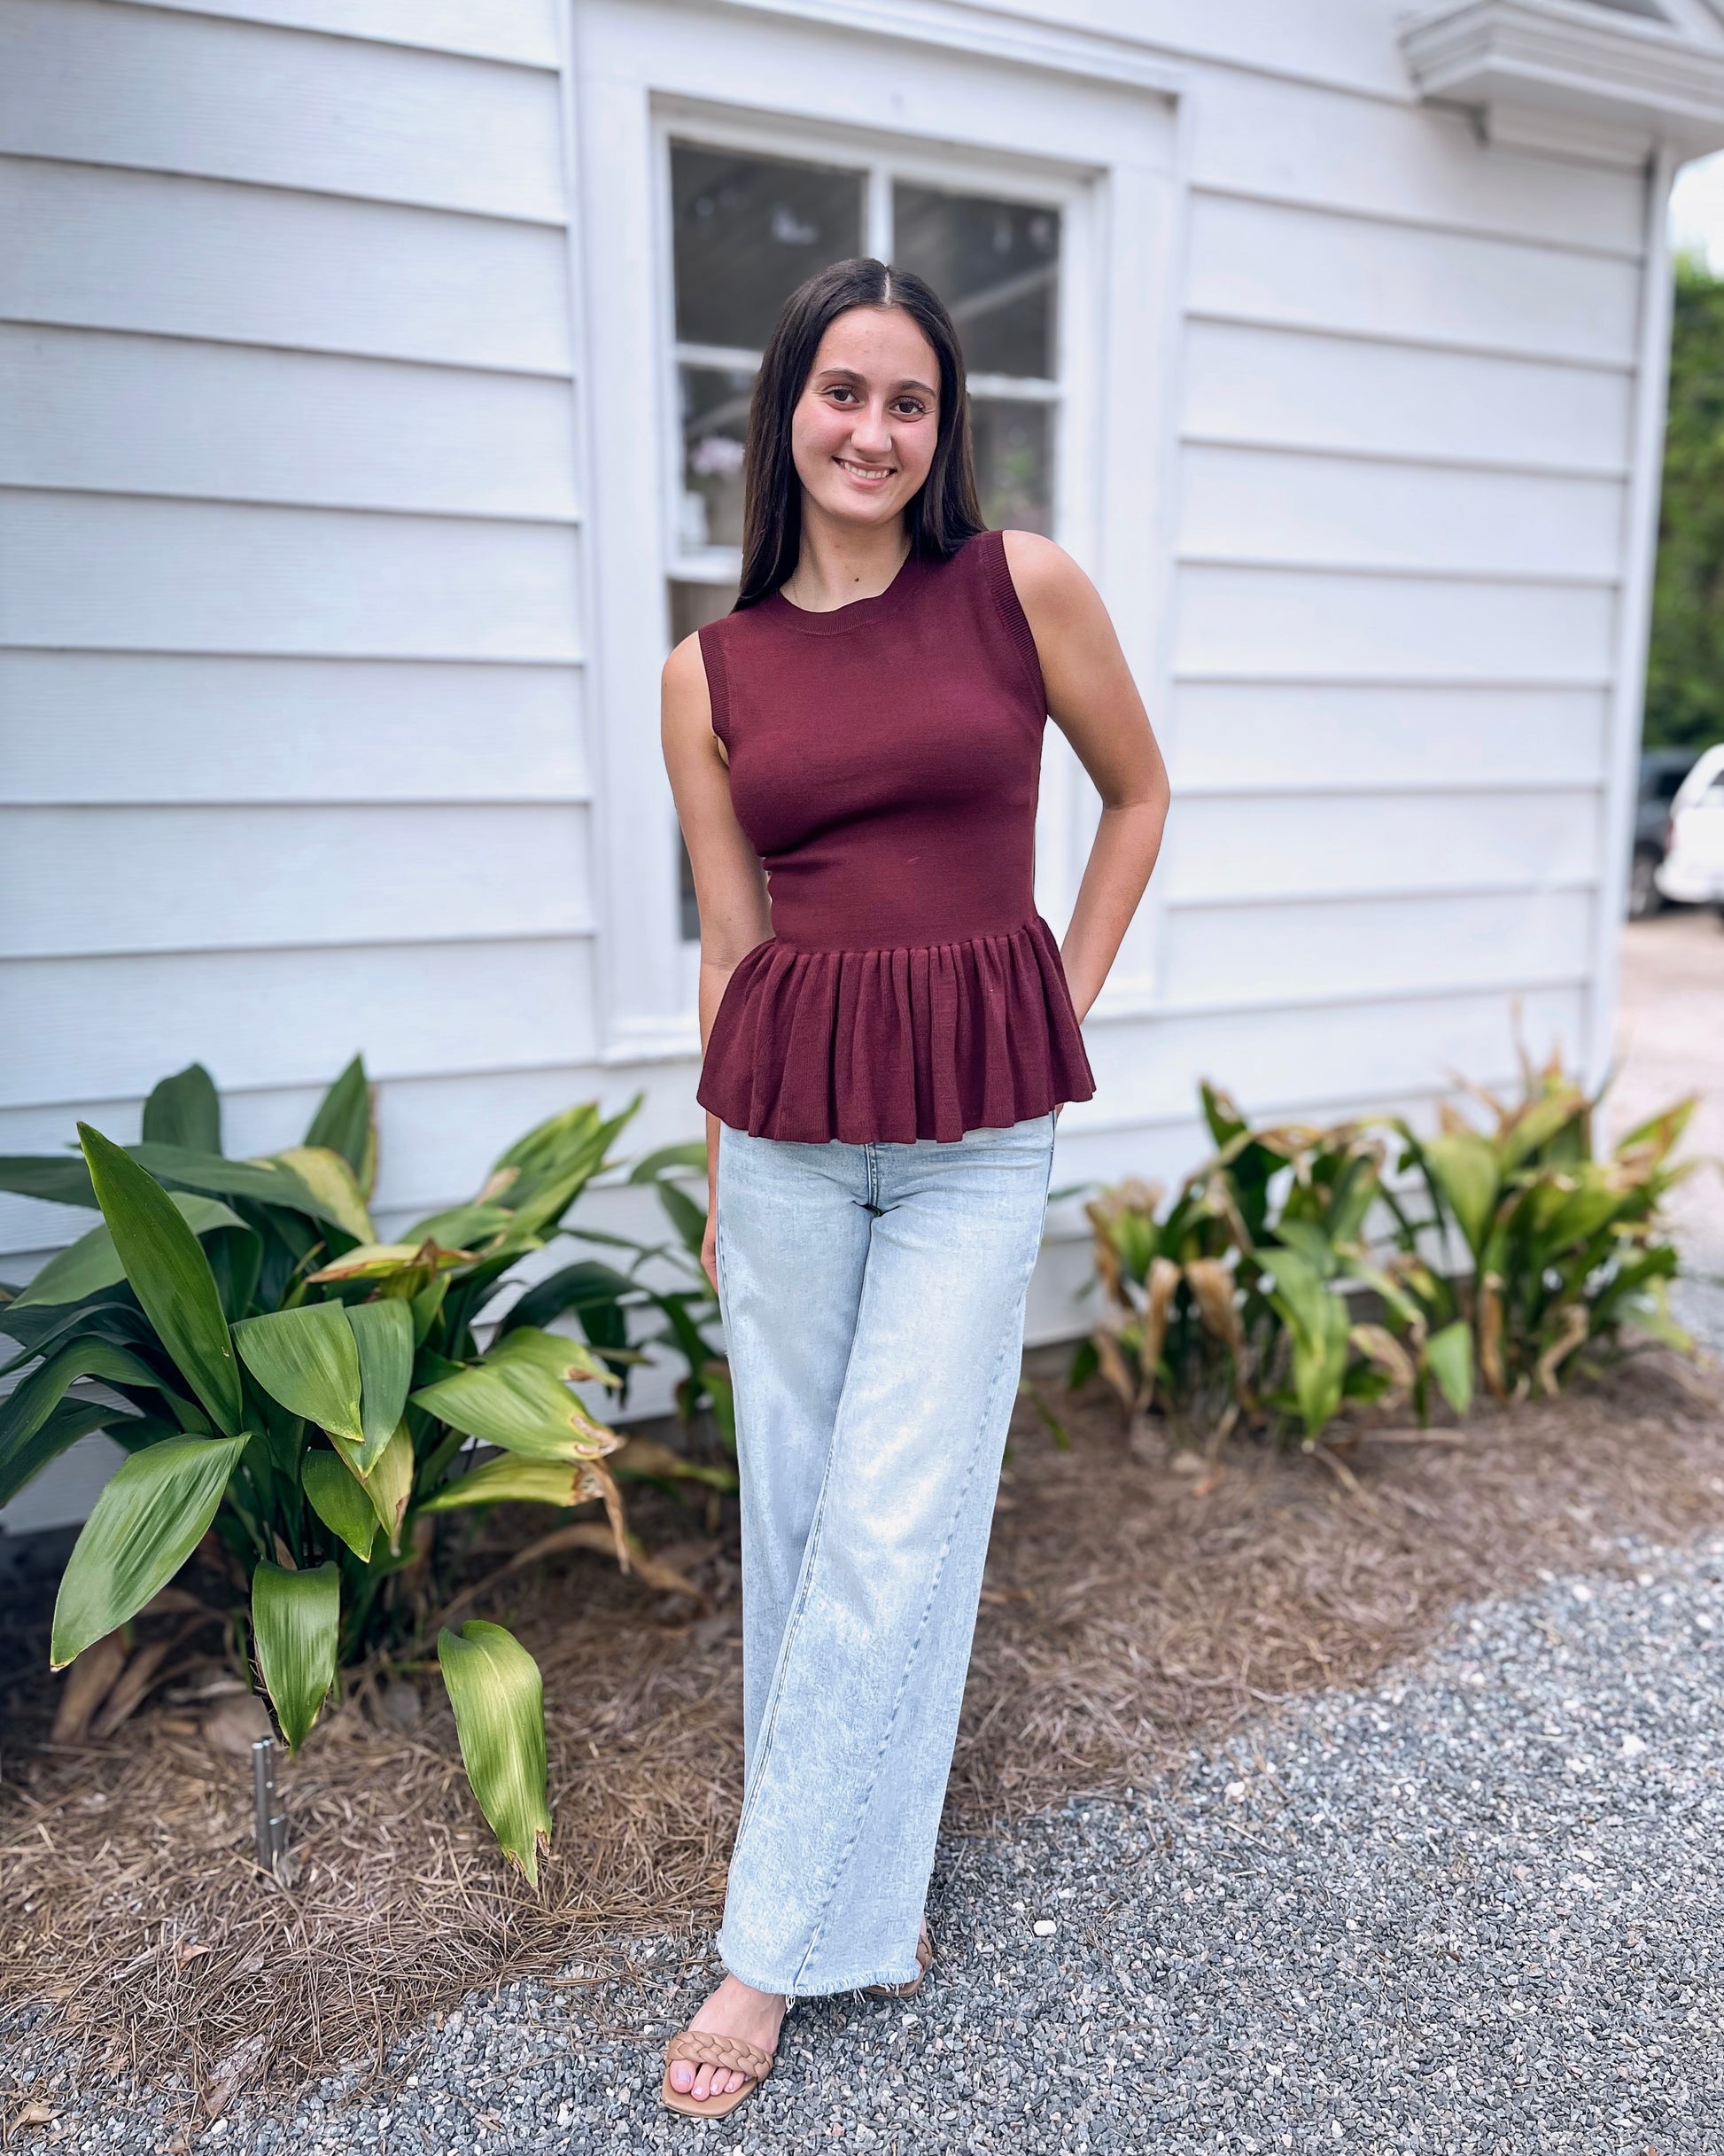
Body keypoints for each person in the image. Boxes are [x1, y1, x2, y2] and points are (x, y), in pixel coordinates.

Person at [658, 256, 1169, 2117]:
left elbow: (1136, 794)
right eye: (842, 392)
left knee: (894, 1521)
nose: (872, 430)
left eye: (909, 400)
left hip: (973, 1131)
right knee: (801, 1515)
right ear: (784, 408)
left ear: (942, 428)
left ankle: (763, 1947)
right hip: (788, 1129)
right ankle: (855, 1898)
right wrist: (719, 1165)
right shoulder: (707, 672)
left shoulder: (1018, 586)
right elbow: (730, 942)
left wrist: (1056, 998)